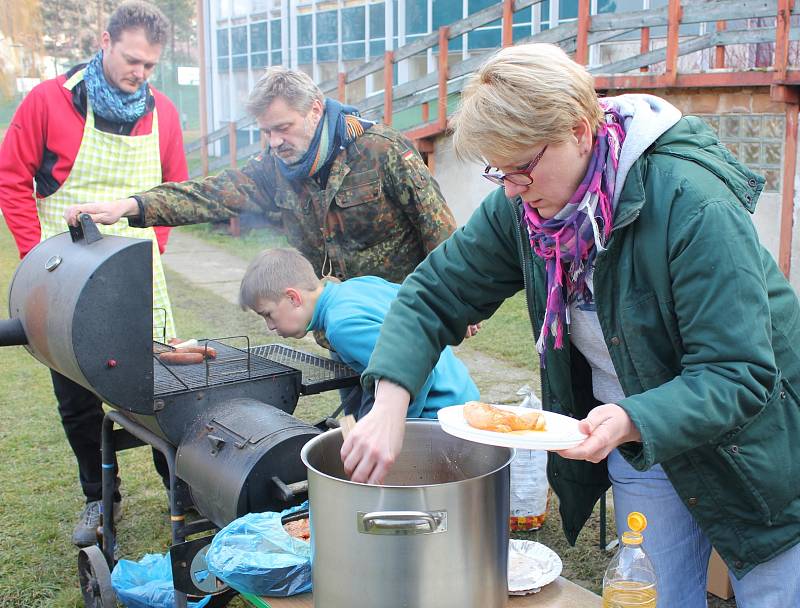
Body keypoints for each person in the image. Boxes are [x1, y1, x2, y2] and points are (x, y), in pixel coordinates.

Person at [344, 43, 800, 607]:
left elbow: (738, 372)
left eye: (521, 166)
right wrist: (389, 404)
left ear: (580, 131)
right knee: (653, 596)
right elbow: (433, 294)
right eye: (498, 171)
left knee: (774, 591)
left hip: (758, 450)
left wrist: (633, 415)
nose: (510, 188)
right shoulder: (524, 207)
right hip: (641, 444)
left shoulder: (693, 203)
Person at [0, 1, 187, 546]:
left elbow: (173, 190)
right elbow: (13, 179)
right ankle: (98, 498)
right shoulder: (48, 101)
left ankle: (180, 488)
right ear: (104, 43)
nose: (140, 74)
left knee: (158, 391)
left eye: (151, 66)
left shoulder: (164, 113)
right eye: (132, 60)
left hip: (138, 274)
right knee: (77, 399)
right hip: (64, 277)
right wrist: (39, 262)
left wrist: (155, 249)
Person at [63, 66, 458, 286]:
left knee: (417, 421)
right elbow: (208, 195)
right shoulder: (273, 171)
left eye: (283, 128)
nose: (273, 142)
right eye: (266, 132)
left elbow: (435, 223)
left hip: (406, 310)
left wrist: (455, 296)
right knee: (359, 419)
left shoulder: (381, 150)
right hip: (344, 318)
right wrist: (130, 206)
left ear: (316, 110)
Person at [238, 247, 479, 420]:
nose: (270, 326)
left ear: (293, 297)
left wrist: (396, 425)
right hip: (463, 393)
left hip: (438, 414)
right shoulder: (357, 286)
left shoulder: (342, 326)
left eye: (268, 314)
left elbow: (416, 366)